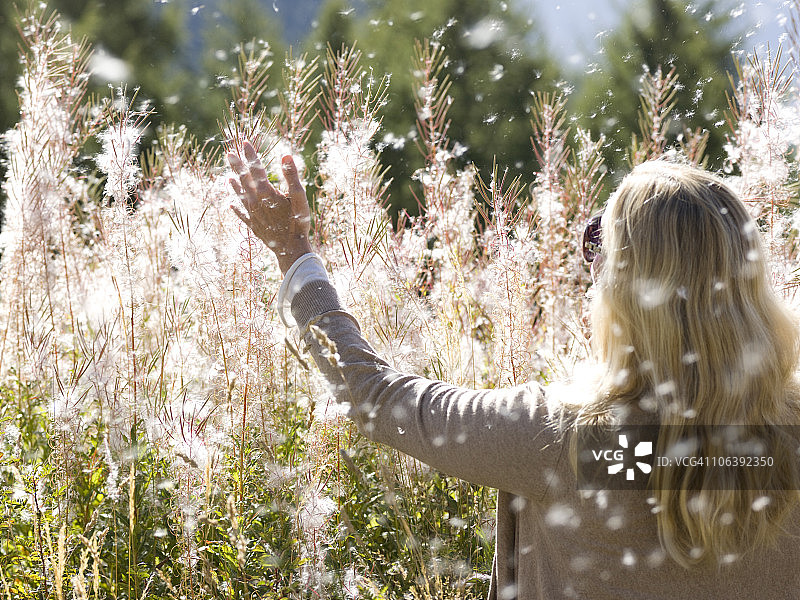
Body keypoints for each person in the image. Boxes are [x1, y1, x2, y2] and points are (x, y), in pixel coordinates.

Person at [227, 141, 800, 599]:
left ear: (624, 290)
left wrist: (294, 253)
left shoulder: (561, 441)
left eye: (598, 245)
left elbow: (374, 396)